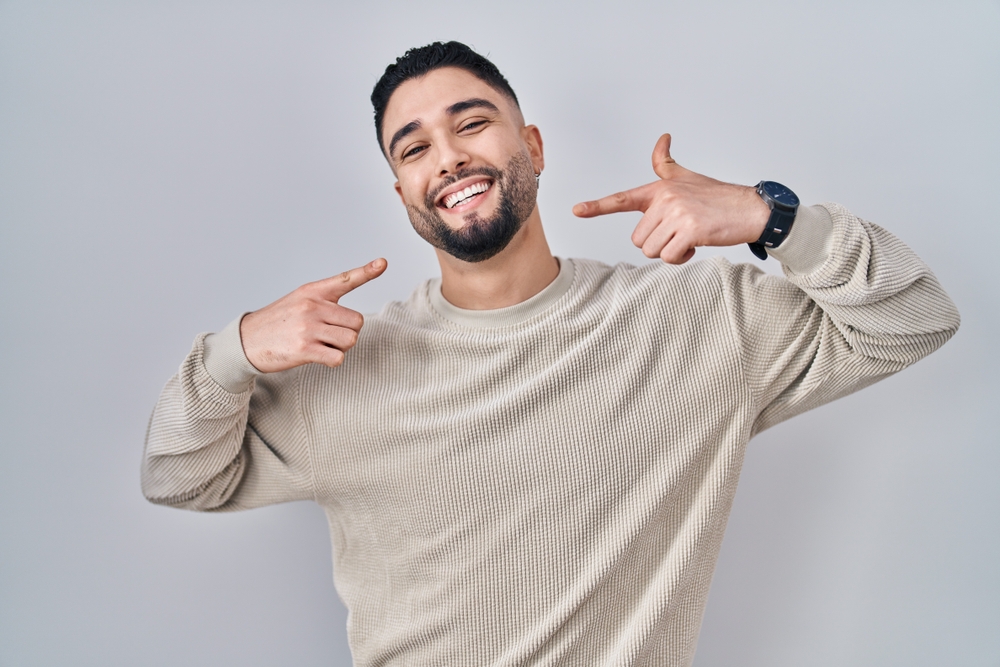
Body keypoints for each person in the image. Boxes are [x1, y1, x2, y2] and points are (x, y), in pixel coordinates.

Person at [142, 41, 960, 666]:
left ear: (530, 144)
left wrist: (767, 216)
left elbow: (914, 315)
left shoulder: (700, 320)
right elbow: (180, 477)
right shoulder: (347, 363)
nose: (450, 157)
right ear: (402, 193)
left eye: (471, 123)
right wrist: (233, 353)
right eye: (414, 147)